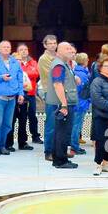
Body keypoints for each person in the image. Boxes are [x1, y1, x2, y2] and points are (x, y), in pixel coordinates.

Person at [0, 40, 24, 156]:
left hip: (12, 98)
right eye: (4, 47)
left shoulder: (15, 62)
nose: (7, 48)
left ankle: (2, 146)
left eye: (8, 47)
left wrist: (21, 93)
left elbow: (19, 78)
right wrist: (1, 77)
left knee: (7, 124)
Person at [44, 41, 79, 170]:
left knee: (62, 132)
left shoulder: (65, 64)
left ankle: (59, 158)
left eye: (71, 48)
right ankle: (60, 161)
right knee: (62, 133)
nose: (71, 51)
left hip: (64, 102)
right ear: (59, 52)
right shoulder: (59, 65)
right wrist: (64, 105)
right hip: (61, 104)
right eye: (67, 49)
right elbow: (57, 84)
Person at [12, 44, 38, 151]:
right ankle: (8, 143)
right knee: (11, 120)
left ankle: (23, 142)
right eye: (16, 60)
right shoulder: (10, 70)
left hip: (26, 95)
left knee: (24, 119)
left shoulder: (32, 63)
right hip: (12, 98)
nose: (18, 62)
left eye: (25, 49)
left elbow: (35, 75)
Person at [38, 34, 60, 161]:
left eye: (54, 43)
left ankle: (58, 149)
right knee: (51, 123)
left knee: (60, 123)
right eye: (50, 43)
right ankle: (49, 151)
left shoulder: (58, 56)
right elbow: (54, 74)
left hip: (61, 92)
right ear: (45, 45)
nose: (52, 45)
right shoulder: (44, 59)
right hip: (51, 92)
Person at [71, 52, 92, 157]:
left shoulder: (76, 71)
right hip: (80, 103)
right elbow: (82, 90)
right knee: (76, 126)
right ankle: (74, 146)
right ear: (84, 61)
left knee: (75, 125)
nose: (88, 60)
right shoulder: (83, 74)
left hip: (77, 102)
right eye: (87, 59)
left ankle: (74, 145)